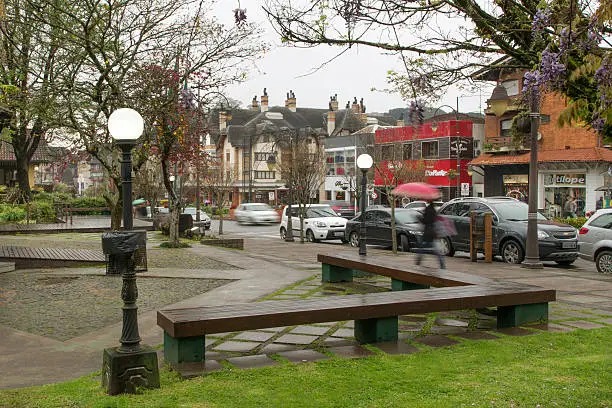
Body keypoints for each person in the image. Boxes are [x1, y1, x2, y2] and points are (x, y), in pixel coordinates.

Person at [415, 201, 445, 269]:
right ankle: (442, 265)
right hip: (433, 232)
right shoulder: (434, 210)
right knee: (435, 250)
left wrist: (419, 218)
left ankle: (417, 264)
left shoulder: (428, 210)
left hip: (428, 233)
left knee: (422, 249)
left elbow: (425, 221)